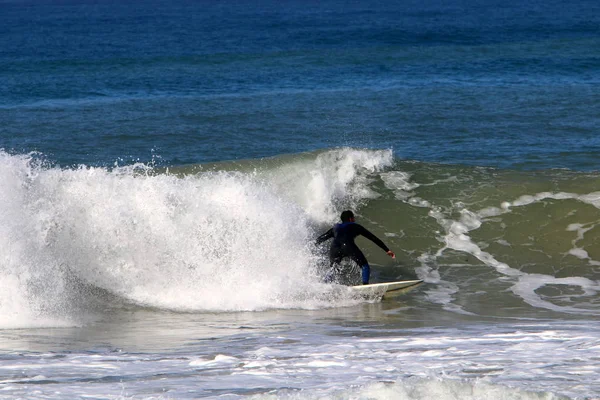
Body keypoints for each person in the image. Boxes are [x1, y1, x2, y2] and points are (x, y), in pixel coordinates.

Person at [316, 210, 395, 285]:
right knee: (364, 266)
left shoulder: (335, 228)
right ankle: (365, 285)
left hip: (334, 248)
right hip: (348, 246)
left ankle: (325, 284)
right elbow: (373, 238)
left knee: (333, 268)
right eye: (353, 218)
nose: (354, 219)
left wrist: (312, 245)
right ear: (350, 219)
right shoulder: (355, 226)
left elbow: (321, 238)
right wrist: (387, 250)